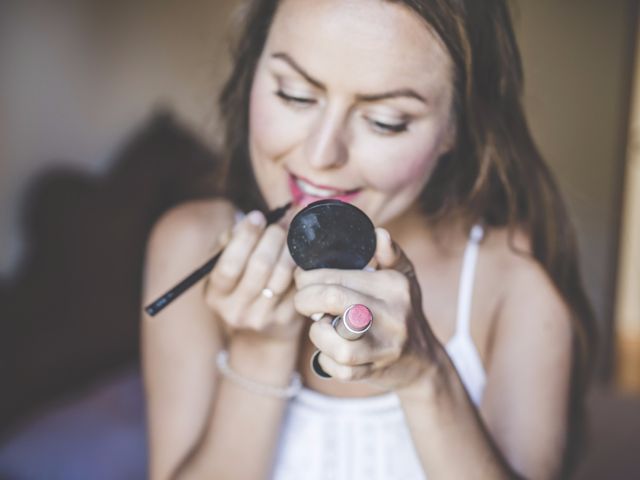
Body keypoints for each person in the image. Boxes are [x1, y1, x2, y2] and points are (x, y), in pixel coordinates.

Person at [141, 0, 596, 478]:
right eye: (295, 94)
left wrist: (425, 375)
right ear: (254, 69)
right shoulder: (188, 245)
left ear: (456, 128)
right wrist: (261, 351)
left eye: (385, 121)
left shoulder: (516, 288)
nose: (321, 155)